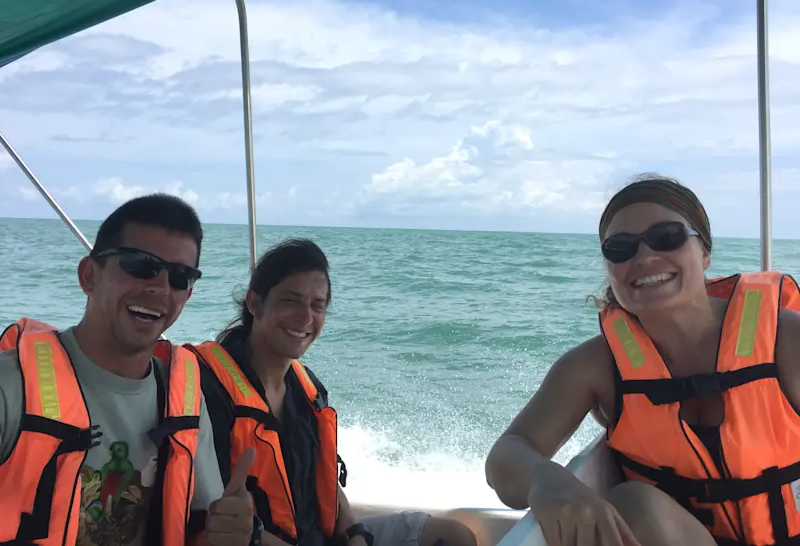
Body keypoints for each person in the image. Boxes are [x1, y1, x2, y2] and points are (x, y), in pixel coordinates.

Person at [484, 175, 800, 546]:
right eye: (620, 248)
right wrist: (544, 478)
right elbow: (506, 455)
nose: (645, 257)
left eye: (667, 237)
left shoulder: (786, 338)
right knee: (634, 505)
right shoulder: (595, 367)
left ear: (704, 252)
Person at [0, 193, 256, 546]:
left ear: (187, 295)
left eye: (180, 277)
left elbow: (196, 531)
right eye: (140, 265)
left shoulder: (185, 403)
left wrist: (229, 533)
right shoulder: (11, 389)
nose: (160, 288)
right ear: (90, 275)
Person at [194, 238, 478, 546]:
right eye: (291, 301)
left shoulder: (308, 389)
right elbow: (215, 525)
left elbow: (324, 479)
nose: (306, 317)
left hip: (321, 537)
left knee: (455, 537)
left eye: (318, 306)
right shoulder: (210, 393)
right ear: (255, 303)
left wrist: (355, 532)